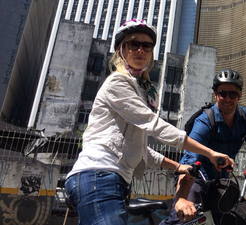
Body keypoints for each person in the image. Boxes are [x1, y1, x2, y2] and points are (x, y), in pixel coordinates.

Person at [65, 19, 234, 225]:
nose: (140, 50)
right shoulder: (118, 82)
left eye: (146, 46)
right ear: (121, 50)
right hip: (97, 175)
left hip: (113, 179)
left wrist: (178, 167)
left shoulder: (139, 89)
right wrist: (210, 152)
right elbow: (155, 126)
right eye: (133, 44)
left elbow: (143, 150)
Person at [162, 68, 246, 225]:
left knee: (229, 219)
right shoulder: (205, 121)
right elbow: (191, 159)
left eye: (233, 94)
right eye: (222, 94)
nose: (227, 99)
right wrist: (182, 198)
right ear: (216, 95)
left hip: (220, 179)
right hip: (196, 177)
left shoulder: (244, 117)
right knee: (186, 218)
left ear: (240, 95)